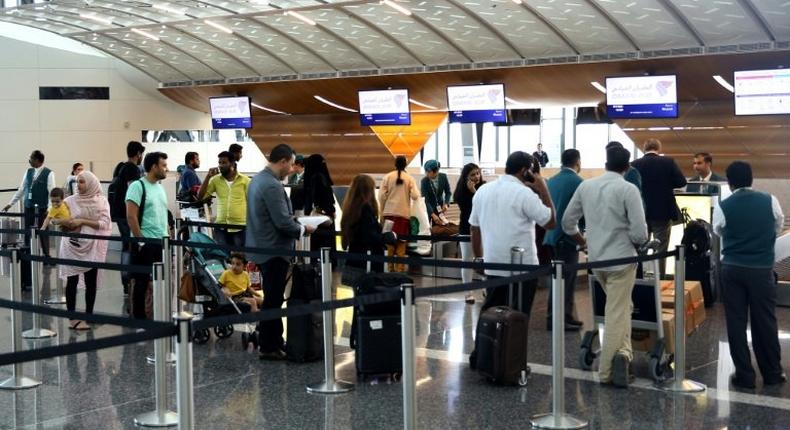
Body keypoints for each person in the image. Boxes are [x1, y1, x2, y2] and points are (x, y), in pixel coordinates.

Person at [562, 145, 648, 388]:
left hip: (597, 260)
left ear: (606, 163)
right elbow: (640, 234)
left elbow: (568, 222)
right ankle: (606, 371)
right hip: (622, 260)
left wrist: (584, 241)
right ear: (627, 167)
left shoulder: (586, 186)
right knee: (616, 313)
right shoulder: (628, 189)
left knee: (622, 308)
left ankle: (625, 355)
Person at [713, 161, 786, 389]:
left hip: (732, 269)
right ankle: (773, 373)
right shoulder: (770, 200)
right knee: (765, 321)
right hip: (761, 269)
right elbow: (778, 225)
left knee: (736, 322)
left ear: (731, 182)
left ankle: (745, 376)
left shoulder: (723, 205)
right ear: (751, 179)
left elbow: (718, 230)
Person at [246, 144, 316, 360]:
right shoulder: (272, 186)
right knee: (274, 299)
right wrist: (303, 228)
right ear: (283, 161)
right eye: (291, 163)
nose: (292, 169)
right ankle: (269, 346)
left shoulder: (257, 180)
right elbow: (282, 222)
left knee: (272, 297)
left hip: (261, 245)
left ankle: (274, 340)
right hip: (273, 250)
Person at [469, 151, 555, 320]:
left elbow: (474, 228)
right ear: (525, 171)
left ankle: (485, 346)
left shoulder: (483, 191)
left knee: (490, 314)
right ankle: (513, 347)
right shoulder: (524, 194)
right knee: (518, 318)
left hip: (493, 264)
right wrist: (543, 188)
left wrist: (479, 257)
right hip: (523, 268)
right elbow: (550, 222)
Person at [57, 171, 112, 330]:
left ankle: (88, 315)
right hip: (71, 247)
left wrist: (82, 221)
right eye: (77, 182)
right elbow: (57, 220)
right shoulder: (69, 201)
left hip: (92, 246)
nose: (78, 185)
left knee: (91, 281)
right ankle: (72, 318)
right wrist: (68, 223)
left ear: (91, 183)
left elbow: (105, 224)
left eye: (82, 182)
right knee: (71, 281)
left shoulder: (102, 202)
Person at [631, 138, 686, 275]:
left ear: (644, 148)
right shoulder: (668, 162)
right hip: (662, 212)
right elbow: (681, 181)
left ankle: (640, 277)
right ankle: (659, 278)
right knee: (661, 248)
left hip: (640, 212)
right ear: (658, 148)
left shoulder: (634, 164)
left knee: (640, 247)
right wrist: (666, 184)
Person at [125, 152, 169, 319]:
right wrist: (140, 241)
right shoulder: (137, 186)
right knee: (141, 282)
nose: (166, 169)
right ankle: (139, 318)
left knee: (159, 282)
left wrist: (167, 235)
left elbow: (162, 214)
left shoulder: (160, 188)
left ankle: (156, 314)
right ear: (153, 167)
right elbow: (131, 216)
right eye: (163, 165)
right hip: (145, 242)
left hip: (161, 241)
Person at [543, 149, 584, 331]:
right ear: (578, 162)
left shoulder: (552, 180)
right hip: (567, 237)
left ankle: (565, 315)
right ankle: (556, 319)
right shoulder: (578, 183)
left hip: (551, 236)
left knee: (562, 279)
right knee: (565, 280)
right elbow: (581, 211)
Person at [340, 174, 397, 275]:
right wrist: (387, 236)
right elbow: (370, 236)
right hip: (368, 260)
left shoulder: (351, 208)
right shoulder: (365, 209)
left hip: (355, 258)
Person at [3, 150, 55, 256]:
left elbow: (52, 193)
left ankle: (46, 256)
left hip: (42, 208)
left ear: (37, 160)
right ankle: (28, 254)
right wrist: (10, 203)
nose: (29, 160)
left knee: (43, 231)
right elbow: (21, 189)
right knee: (27, 231)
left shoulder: (49, 173)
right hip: (28, 206)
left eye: (30, 158)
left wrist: (49, 209)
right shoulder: (28, 172)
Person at [111, 141, 145, 294]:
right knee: (130, 247)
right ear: (138, 153)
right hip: (126, 214)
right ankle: (128, 280)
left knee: (127, 246)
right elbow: (133, 192)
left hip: (119, 213)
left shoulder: (122, 167)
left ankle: (127, 280)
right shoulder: (132, 169)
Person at [198, 151, 250, 247]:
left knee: (239, 257)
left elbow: (251, 202)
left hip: (239, 227)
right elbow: (201, 197)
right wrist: (208, 177)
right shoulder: (215, 180)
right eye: (219, 163)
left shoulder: (245, 180)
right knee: (223, 257)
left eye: (224, 163)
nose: (221, 165)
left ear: (232, 164)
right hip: (221, 226)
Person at [379, 155, 420, 273]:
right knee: (401, 244)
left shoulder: (387, 177)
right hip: (403, 215)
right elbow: (415, 196)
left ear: (395, 164)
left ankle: (390, 269)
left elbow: (381, 196)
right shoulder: (410, 178)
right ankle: (400, 270)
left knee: (389, 243)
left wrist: (382, 211)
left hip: (389, 214)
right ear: (405, 165)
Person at [453, 163, 485, 303]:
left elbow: (485, 204)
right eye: (473, 174)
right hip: (466, 228)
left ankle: (486, 288)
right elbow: (467, 210)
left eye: (478, 173)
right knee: (467, 260)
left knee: (484, 259)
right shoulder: (461, 191)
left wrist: (475, 192)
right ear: (466, 177)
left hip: (483, 228)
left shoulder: (484, 187)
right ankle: (468, 292)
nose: (476, 176)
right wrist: (472, 192)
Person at [421, 159, 452, 225]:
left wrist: (446, 203)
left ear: (436, 171)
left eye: (428, 172)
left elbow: (448, 192)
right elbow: (426, 200)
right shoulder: (424, 181)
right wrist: (432, 214)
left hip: (440, 209)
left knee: (440, 228)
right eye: (425, 171)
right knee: (429, 230)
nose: (426, 174)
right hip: (429, 209)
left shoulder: (443, 177)